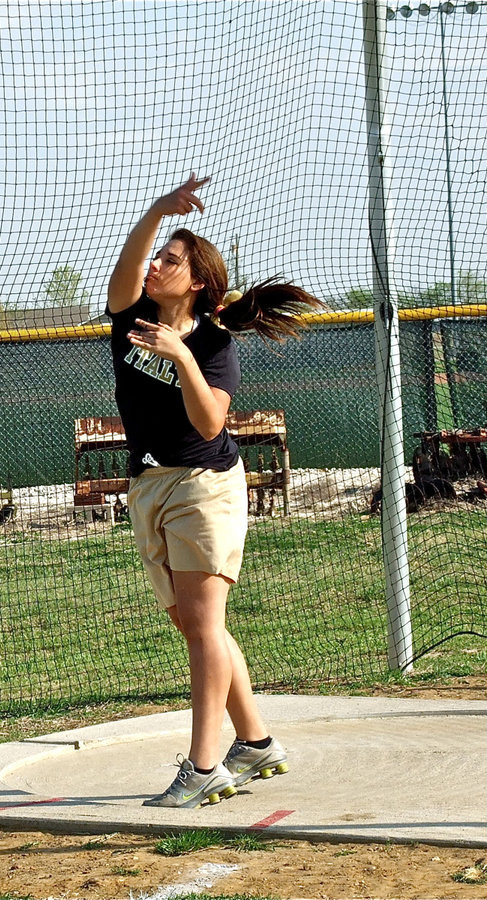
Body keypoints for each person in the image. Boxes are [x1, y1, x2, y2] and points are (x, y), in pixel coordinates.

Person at [106, 173, 323, 808]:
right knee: (193, 625)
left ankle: (203, 767)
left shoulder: (214, 344)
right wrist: (156, 211)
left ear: (196, 279)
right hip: (149, 484)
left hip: (205, 487)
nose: (154, 266)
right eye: (156, 257)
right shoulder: (132, 316)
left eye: (168, 261)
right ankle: (255, 743)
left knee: (204, 627)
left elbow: (210, 421)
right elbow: (124, 269)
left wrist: (181, 356)